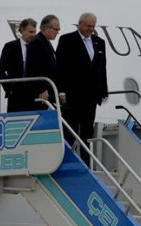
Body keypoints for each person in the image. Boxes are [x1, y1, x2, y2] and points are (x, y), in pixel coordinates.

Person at [56, 12, 109, 166]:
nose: (91, 29)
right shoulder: (67, 40)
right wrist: (61, 91)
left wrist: (103, 91)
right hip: (72, 94)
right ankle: (65, 161)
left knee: (87, 130)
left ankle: (86, 163)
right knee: (70, 129)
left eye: (93, 26)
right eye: (88, 26)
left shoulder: (99, 42)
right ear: (80, 24)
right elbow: (61, 67)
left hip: (91, 96)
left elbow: (102, 68)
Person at [0, 18, 38, 112]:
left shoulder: (37, 47)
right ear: (22, 31)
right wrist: (9, 88)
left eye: (34, 32)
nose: (33, 35)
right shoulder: (10, 47)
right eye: (30, 32)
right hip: (15, 94)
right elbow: (1, 70)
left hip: (33, 94)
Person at [25, 14, 62, 110]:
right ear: (47, 28)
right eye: (56, 29)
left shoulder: (45, 42)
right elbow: (33, 68)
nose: (58, 32)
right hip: (41, 93)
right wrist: (41, 89)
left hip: (49, 90)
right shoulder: (37, 42)